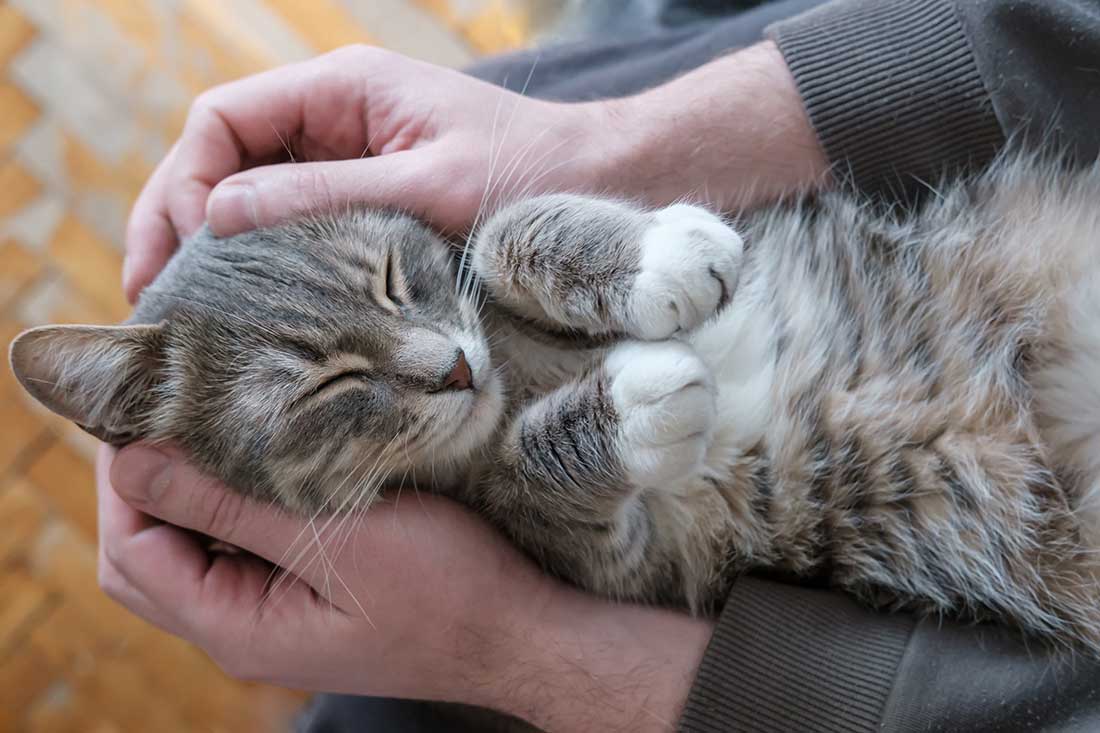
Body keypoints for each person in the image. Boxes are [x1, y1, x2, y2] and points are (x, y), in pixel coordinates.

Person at [99, 0, 1100, 731]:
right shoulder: (411, 588)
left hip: (1013, 265)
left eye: (396, 285)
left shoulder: (487, 246)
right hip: (1035, 528)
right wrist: (519, 634)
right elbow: (609, 552)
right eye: (325, 388)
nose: (435, 357)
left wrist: (600, 175)